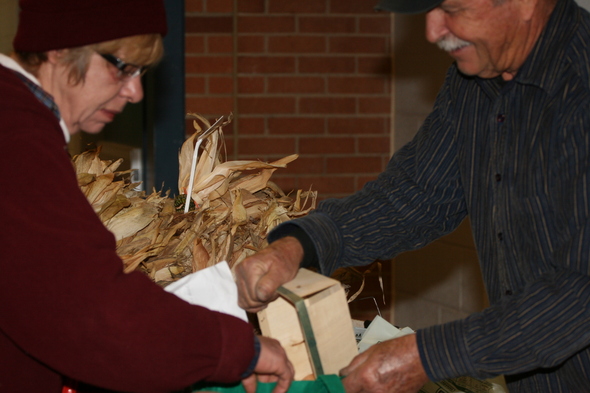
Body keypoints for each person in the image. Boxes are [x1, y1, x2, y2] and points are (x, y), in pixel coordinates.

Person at [235, 0, 590, 391]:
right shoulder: (475, 80)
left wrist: (429, 355)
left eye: (451, 8)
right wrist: (302, 244)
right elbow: (417, 194)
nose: (432, 31)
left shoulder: (581, 82)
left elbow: (580, 293)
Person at [0, 1, 293, 392]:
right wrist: (237, 348)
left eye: (141, 73)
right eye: (122, 67)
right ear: (59, 48)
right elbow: (91, 314)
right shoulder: (16, 138)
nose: (135, 91)